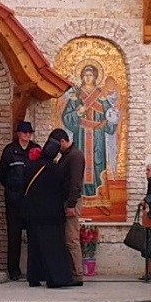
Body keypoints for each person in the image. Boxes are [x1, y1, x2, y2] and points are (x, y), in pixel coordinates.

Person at [61, 65, 119, 202]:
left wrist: (112, 119)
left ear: (95, 77)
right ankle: (79, 196)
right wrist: (78, 112)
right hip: (81, 134)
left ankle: (99, 197)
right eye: (85, 75)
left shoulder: (101, 97)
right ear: (81, 77)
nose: (88, 78)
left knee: (97, 162)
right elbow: (66, 118)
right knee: (80, 163)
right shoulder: (76, 97)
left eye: (91, 75)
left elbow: (110, 116)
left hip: (97, 134)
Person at [23, 140, 75, 289]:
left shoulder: (30, 166)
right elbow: (64, 191)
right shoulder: (57, 170)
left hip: (32, 213)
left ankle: (34, 278)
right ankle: (54, 278)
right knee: (52, 247)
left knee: (34, 247)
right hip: (51, 215)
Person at [0, 122, 36, 280]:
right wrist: (12, 188)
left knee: (34, 235)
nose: (27, 136)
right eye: (24, 133)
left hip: (32, 200)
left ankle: (34, 270)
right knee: (14, 236)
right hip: (14, 200)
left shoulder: (36, 150)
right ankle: (13, 270)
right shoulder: (9, 151)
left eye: (29, 133)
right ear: (18, 133)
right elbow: (1, 174)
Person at [50, 128, 87, 286]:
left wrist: (71, 204)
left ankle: (77, 274)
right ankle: (70, 272)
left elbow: (75, 182)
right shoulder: (67, 156)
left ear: (63, 142)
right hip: (65, 200)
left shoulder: (75, 156)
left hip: (71, 202)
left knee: (72, 239)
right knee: (67, 238)